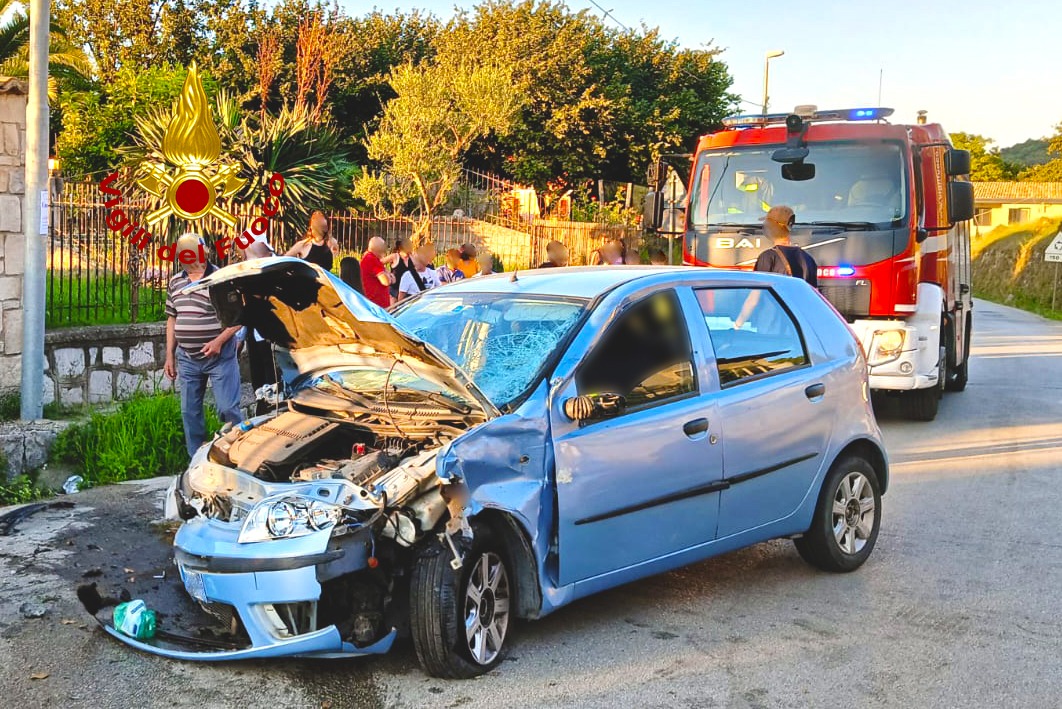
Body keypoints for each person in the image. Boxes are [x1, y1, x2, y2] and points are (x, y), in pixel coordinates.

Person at [164, 233, 244, 457]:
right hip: (187, 358)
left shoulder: (221, 278)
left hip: (220, 357)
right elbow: (172, 317)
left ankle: (238, 455)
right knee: (190, 413)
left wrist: (218, 342)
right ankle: (196, 460)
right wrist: (169, 355)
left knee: (228, 409)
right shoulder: (175, 281)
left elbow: (239, 318)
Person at [733, 205, 818, 329]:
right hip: (799, 331)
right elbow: (813, 300)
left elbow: (754, 299)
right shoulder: (808, 259)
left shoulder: (768, 257)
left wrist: (738, 324)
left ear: (771, 226)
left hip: (771, 330)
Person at [361, 237, 396, 309]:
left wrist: (388, 274)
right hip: (376, 306)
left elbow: (392, 278)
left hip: (376, 304)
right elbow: (386, 281)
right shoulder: (372, 260)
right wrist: (389, 275)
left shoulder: (370, 258)